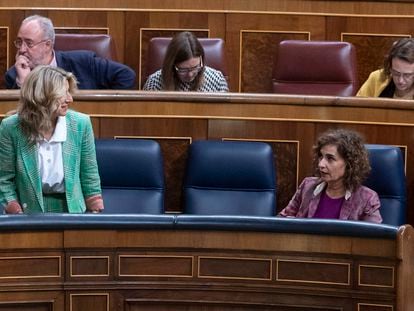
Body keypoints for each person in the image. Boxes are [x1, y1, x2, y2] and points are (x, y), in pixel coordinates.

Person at [0, 65, 104, 214]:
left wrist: (95, 207)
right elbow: (4, 179)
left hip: (72, 211)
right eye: (64, 93)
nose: (70, 99)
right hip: (28, 213)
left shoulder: (81, 124)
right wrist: (14, 210)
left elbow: (90, 174)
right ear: (42, 95)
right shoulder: (11, 127)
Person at [5, 15, 136, 90]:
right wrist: (25, 83)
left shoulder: (84, 62)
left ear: (48, 45)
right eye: (19, 42)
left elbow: (126, 75)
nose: (22, 49)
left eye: (29, 43)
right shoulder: (14, 76)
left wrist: (103, 109)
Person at [278, 129, 382, 223]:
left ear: (349, 164)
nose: (321, 164)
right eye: (321, 157)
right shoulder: (307, 186)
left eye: (330, 158)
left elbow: (374, 239)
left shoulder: (367, 199)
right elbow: (281, 221)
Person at [143, 31, 229, 92]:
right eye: (183, 70)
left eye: (195, 67)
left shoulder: (217, 80)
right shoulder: (154, 82)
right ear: (172, 65)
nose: (190, 74)